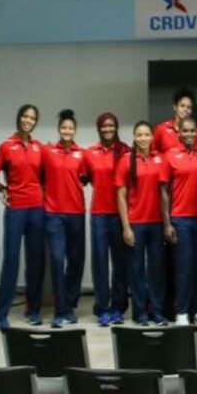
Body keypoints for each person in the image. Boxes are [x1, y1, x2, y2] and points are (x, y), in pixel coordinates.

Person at [0, 104, 46, 329]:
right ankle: (1, 314)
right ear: (19, 118)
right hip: (16, 210)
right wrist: (4, 190)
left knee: (35, 262)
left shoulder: (39, 147)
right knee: (11, 261)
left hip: (37, 210)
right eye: (25, 116)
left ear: (35, 122)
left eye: (32, 118)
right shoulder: (6, 146)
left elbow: (46, 177)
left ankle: (33, 311)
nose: (28, 120)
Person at [159, 117, 197, 327]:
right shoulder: (170, 156)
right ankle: (181, 311)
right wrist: (167, 223)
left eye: (193, 131)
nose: (189, 134)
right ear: (179, 133)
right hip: (180, 219)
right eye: (186, 131)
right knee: (183, 266)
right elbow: (163, 190)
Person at [116, 121, 167, 326]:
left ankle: (157, 311)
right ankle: (140, 313)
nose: (143, 138)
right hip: (135, 223)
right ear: (135, 137)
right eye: (139, 135)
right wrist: (126, 227)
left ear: (152, 137)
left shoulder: (159, 159)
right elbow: (121, 196)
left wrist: (167, 223)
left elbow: (164, 193)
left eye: (147, 134)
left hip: (156, 223)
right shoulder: (126, 160)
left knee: (156, 269)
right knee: (136, 269)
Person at [84, 112, 131, 326]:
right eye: (104, 126)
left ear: (117, 127)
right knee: (100, 263)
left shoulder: (126, 151)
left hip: (121, 215)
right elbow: (83, 178)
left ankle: (118, 308)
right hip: (99, 215)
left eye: (111, 125)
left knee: (121, 264)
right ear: (98, 128)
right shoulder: (90, 153)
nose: (108, 129)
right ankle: (102, 308)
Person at [43, 109, 87, 328]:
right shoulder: (48, 151)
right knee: (58, 260)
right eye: (63, 128)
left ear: (75, 130)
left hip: (77, 213)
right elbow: (33, 175)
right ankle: (60, 310)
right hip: (53, 214)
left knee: (76, 262)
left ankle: (69, 305)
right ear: (59, 130)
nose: (67, 131)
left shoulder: (83, 154)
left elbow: (88, 177)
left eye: (70, 128)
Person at [153, 88, 197, 153]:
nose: (185, 109)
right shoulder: (161, 129)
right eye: (182, 106)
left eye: (189, 107)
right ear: (175, 107)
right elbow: (152, 153)